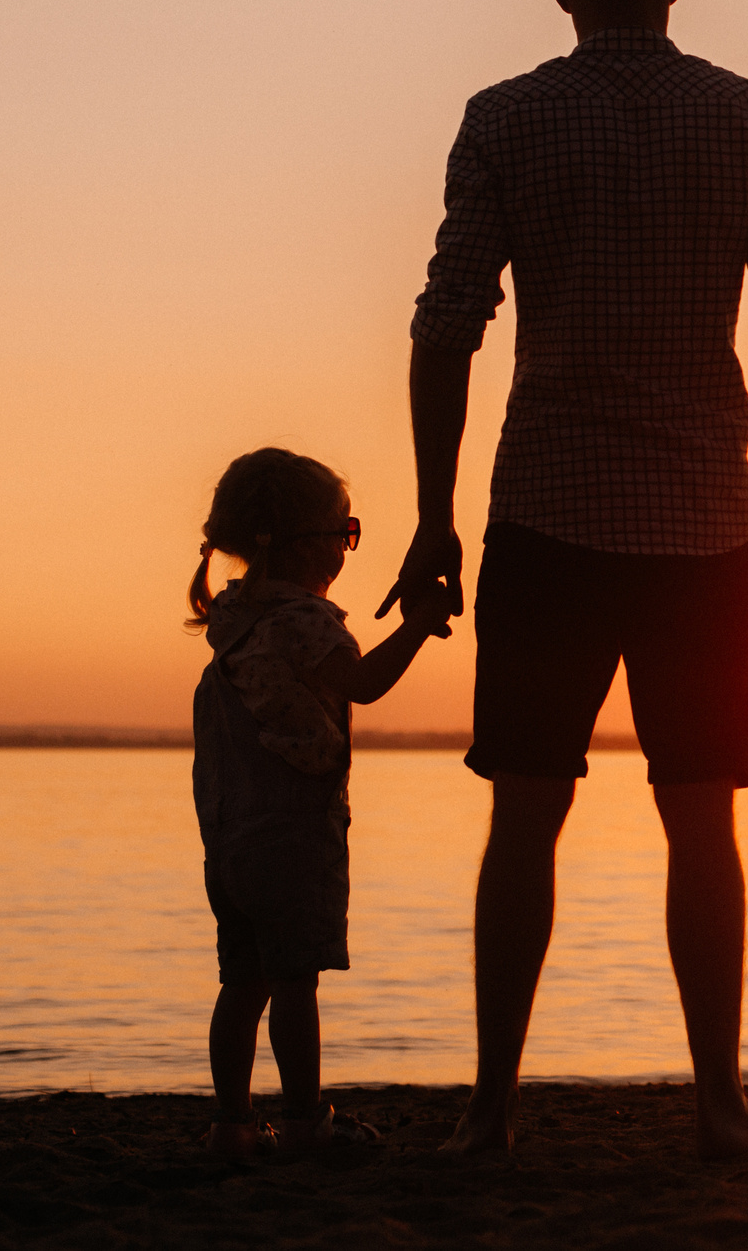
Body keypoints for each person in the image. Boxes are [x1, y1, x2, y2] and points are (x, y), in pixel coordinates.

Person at [386, 0, 748, 1157]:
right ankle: (716, 1101)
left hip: (545, 511)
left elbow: (445, 324)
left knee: (523, 814)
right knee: (703, 816)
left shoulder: (506, 118)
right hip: (704, 520)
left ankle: (488, 1112)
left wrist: (433, 518)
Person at [187, 447, 457, 1158]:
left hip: (232, 840)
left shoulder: (236, 619)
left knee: (242, 983)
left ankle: (232, 1122)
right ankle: (306, 1120)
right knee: (296, 984)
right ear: (304, 543)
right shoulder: (303, 622)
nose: (346, 548)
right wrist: (420, 626)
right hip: (291, 835)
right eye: (344, 534)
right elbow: (360, 683)